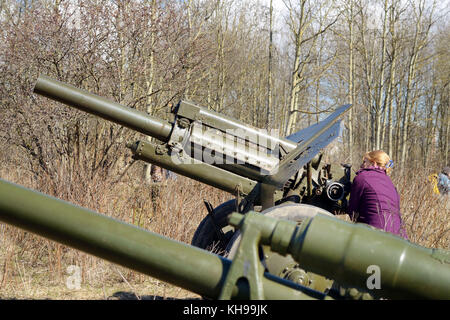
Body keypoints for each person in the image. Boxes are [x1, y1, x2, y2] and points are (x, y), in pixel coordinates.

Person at [347, 150, 407, 239]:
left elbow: (353, 212)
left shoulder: (362, 177)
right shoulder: (390, 183)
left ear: (374, 163)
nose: (361, 165)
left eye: (364, 162)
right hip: (400, 237)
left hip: (375, 234)